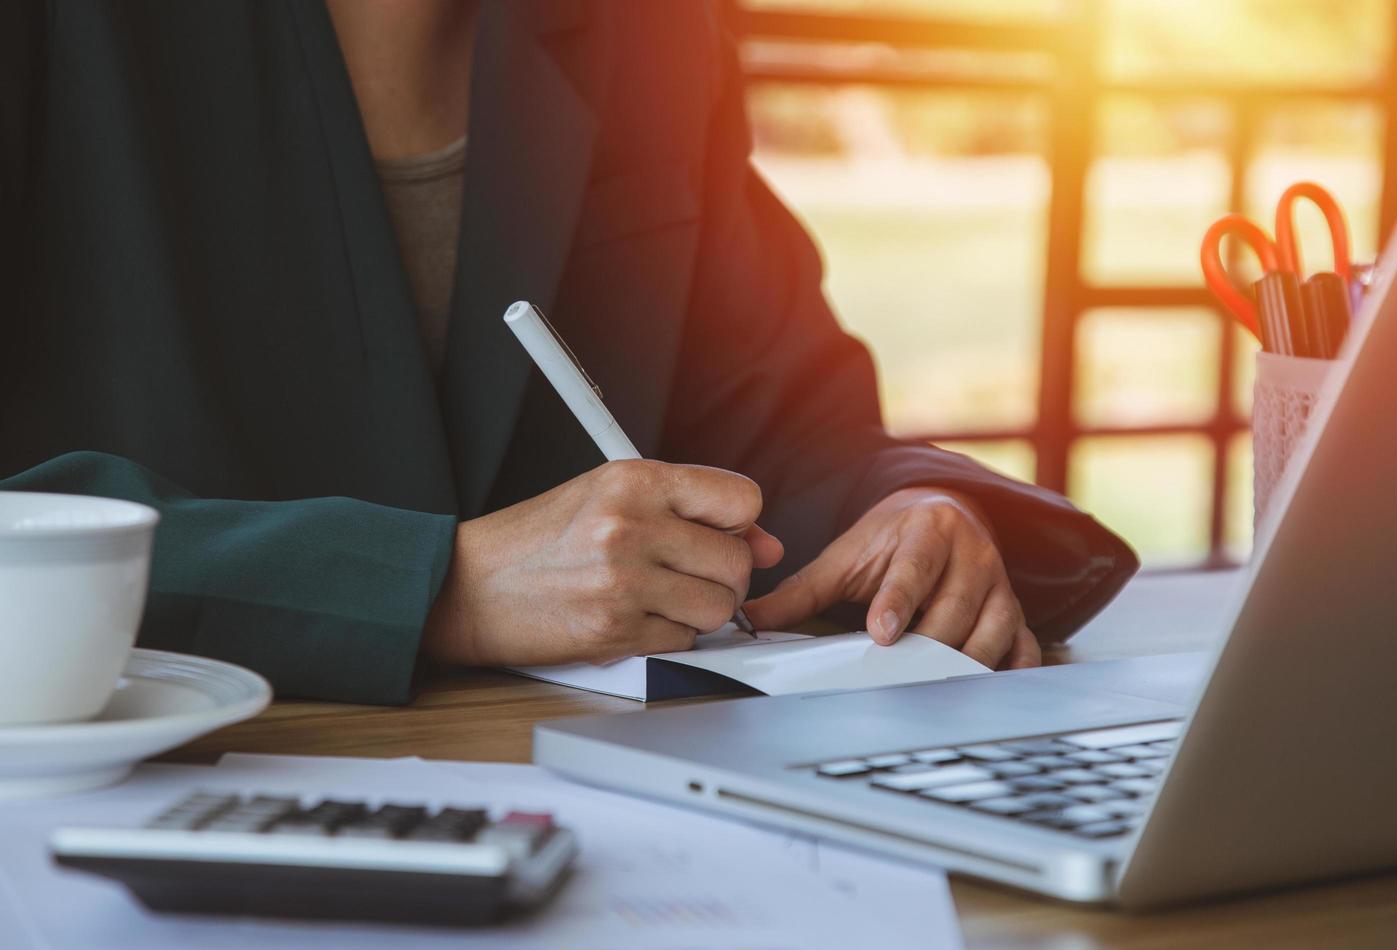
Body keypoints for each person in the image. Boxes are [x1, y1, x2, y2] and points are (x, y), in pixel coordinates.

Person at [0, 0, 1137, 705]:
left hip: (574, 825)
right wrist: (438, 586)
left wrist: (913, 516)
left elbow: (785, 421)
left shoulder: (648, 26)